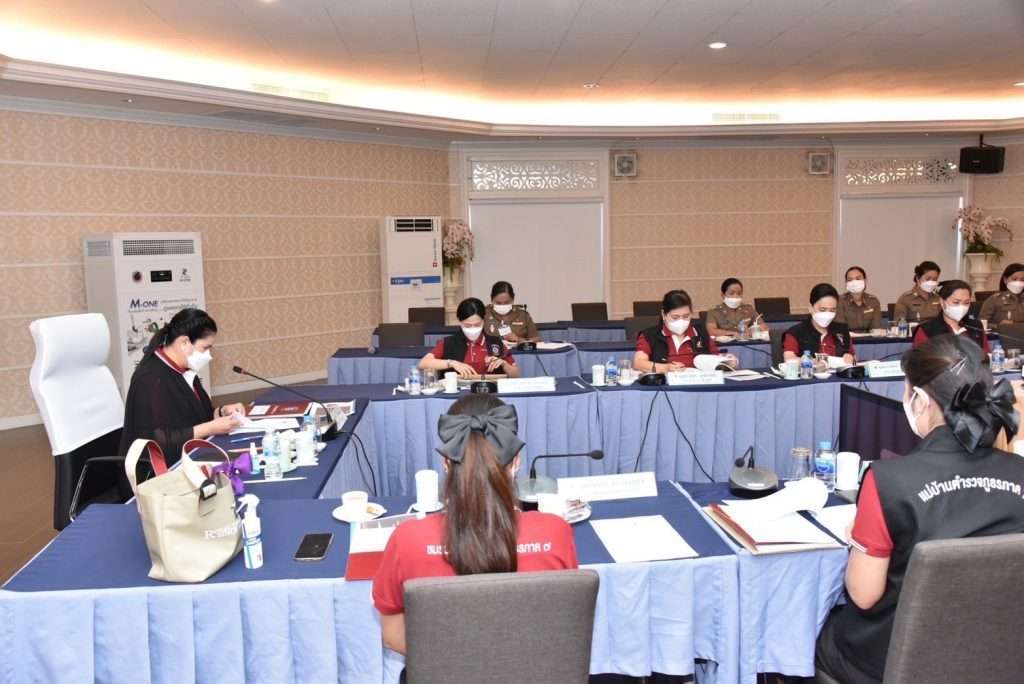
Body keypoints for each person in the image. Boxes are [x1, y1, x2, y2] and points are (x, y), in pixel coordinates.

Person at [815, 335, 1024, 682]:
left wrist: (858, 536)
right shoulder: (1019, 470)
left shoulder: (888, 480)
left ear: (921, 400)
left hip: (894, 660)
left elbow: (863, 595)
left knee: (814, 629)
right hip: (1002, 657)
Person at [372, 394, 579, 654]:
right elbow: (566, 625)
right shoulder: (555, 531)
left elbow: (392, 634)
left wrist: (464, 662)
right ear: (516, 462)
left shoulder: (407, 539)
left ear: (446, 463)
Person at [119, 308, 245, 464]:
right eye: (205, 348)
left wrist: (222, 412)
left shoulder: (185, 369)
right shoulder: (150, 378)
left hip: (190, 457)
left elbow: (198, 416)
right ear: (184, 343)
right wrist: (210, 428)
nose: (209, 356)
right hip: (157, 471)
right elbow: (158, 440)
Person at [633, 289, 738, 372]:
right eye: (675, 317)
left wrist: (727, 361)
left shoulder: (701, 334)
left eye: (686, 316)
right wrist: (665, 368)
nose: (681, 321)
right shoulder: (650, 335)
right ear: (664, 315)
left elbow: (716, 357)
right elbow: (638, 363)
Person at [419, 297, 520, 378]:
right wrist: (452, 363)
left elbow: (516, 374)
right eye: (467, 325)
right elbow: (423, 363)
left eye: (477, 324)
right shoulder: (449, 343)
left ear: (484, 321)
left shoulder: (496, 342)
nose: (472, 329)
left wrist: (504, 364)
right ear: (460, 322)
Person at [782, 283, 856, 365]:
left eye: (832, 310)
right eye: (822, 310)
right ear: (810, 307)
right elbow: (789, 359)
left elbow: (853, 357)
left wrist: (850, 358)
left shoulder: (842, 330)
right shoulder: (795, 332)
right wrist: (812, 362)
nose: (827, 314)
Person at [912, 279, 989, 353]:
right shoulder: (927, 330)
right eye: (956, 302)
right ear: (942, 302)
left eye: (966, 303)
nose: (961, 307)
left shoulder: (976, 326)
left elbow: (986, 355)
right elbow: (919, 359)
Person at [836, 266, 883, 333]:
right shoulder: (839, 301)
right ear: (846, 283)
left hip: (868, 339)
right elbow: (840, 330)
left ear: (865, 281)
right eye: (850, 280)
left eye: (858, 279)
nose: (854, 282)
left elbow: (876, 328)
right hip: (847, 338)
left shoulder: (873, 301)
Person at [979, 262, 1024, 327]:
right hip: (1002, 333)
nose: (1018, 282)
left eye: (1022, 280)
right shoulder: (994, 299)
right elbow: (981, 323)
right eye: (1014, 279)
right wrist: (998, 326)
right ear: (1005, 280)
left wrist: (1015, 324)